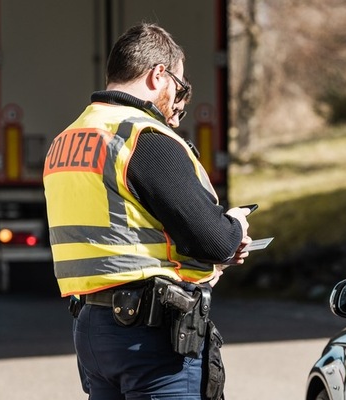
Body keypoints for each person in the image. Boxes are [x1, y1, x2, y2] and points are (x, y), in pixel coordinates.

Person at [44, 23, 251, 400]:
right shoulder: (142, 137)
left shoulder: (68, 139)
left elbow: (125, 233)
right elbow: (215, 239)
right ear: (159, 75)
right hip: (150, 335)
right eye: (180, 85)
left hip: (93, 328)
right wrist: (234, 225)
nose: (179, 97)